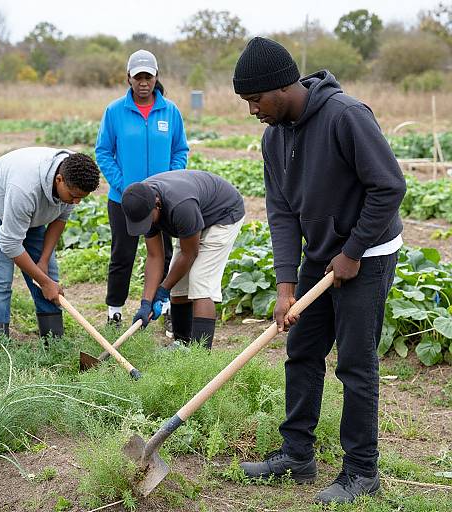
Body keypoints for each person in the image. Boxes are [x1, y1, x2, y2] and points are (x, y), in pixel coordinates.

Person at [233, 37, 406, 504]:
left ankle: (361, 470)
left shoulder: (346, 116)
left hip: (367, 255)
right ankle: (297, 455)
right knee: (303, 350)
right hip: (321, 254)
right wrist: (286, 286)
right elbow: (282, 213)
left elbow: (389, 186)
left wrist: (353, 252)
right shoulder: (273, 137)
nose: (252, 110)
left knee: (355, 363)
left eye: (255, 100)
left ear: (282, 88)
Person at [95, 49, 189, 335]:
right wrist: (124, 186)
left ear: (156, 77)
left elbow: (180, 150)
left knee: (166, 252)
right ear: (129, 78)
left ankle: (167, 307)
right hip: (123, 200)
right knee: (122, 254)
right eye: (138, 77)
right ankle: (114, 310)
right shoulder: (114, 112)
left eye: (148, 76)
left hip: (162, 201)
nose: (144, 82)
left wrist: (169, 181)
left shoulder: (170, 111)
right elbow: (104, 152)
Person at [0, 147, 100, 342]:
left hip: (28, 212)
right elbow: (10, 243)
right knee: (1, 280)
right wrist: (45, 283)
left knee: (47, 275)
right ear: (59, 180)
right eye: (73, 196)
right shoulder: (25, 188)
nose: (77, 202)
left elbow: (60, 219)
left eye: (82, 197)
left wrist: (44, 263)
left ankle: (54, 343)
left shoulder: (76, 174)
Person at [120, 170, 245, 349]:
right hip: (194, 217)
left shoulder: (180, 206)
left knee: (200, 282)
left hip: (223, 214)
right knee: (179, 288)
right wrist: (146, 302)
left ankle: (200, 357)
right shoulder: (141, 202)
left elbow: (190, 254)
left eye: (146, 221)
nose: (145, 226)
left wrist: (163, 290)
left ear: (157, 205)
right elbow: (155, 256)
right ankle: (182, 345)